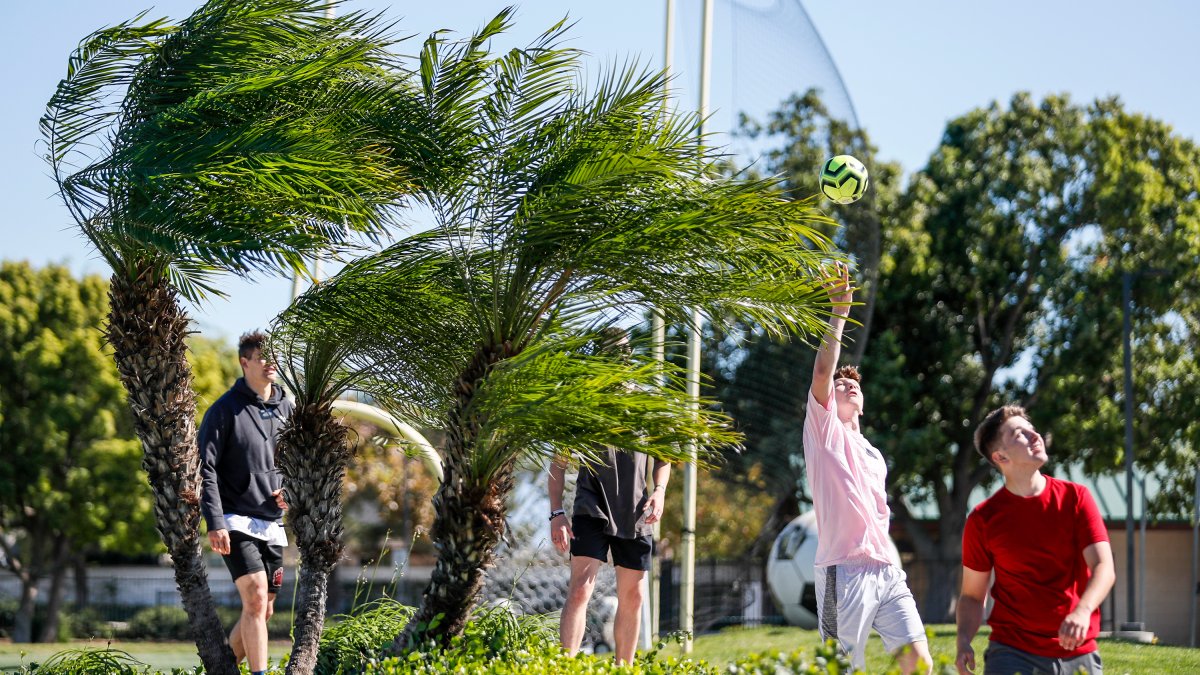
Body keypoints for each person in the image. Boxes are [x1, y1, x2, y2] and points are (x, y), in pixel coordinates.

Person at [803, 262, 931, 674]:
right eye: (840, 385)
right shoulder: (823, 431)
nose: (846, 384)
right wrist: (839, 313)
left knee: (919, 664)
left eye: (853, 384)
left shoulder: (874, 454)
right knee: (839, 670)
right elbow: (823, 370)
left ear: (863, 401)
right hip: (844, 571)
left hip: (887, 570)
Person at [956, 405, 1115, 675]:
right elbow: (972, 595)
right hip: (1011, 652)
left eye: (1032, 430)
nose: (1035, 436)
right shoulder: (983, 520)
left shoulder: (1076, 498)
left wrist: (1082, 610)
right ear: (1000, 456)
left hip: (1078, 651)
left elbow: (1104, 568)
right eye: (1020, 433)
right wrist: (962, 642)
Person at [549, 329, 671, 665]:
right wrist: (556, 513)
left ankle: (623, 668)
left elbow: (664, 458)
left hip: (636, 512)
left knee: (633, 596)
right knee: (580, 590)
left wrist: (659, 492)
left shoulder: (646, 404)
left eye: (621, 355)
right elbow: (557, 466)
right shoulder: (581, 403)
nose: (616, 361)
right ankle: (564, 667)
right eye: (608, 355)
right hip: (592, 508)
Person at [199, 331, 293, 675]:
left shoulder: (288, 407)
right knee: (253, 598)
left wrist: (291, 490)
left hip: (272, 521)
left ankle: (221, 669)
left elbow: (298, 461)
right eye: (262, 357)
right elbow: (204, 468)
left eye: (275, 358)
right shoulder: (224, 410)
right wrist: (215, 521)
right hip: (235, 518)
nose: (271, 364)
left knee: (263, 610)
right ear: (244, 362)